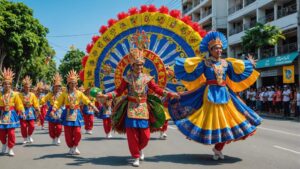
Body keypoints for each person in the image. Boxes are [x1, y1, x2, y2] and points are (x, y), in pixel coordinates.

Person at [168, 31, 262, 160]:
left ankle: (218, 148)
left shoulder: (226, 63)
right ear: (210, 50)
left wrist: (249, 65)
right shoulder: (204, 63)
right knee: (214, 120)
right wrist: (177, 70)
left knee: (228, 121)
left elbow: (236, 74)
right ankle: (216, 147)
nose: (219, 51)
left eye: (220, 48)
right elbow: (192, 73)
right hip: (210, 94)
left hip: (225, 93)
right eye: (216, 49)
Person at [97, 31, 179, 167]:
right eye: (137, 65)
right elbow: (118, 91)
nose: (139, 67)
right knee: (132, 134)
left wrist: (170, 94)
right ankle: (135, 155)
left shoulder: (147, 78)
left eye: (141, 64)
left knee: (145, 135)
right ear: (132, 66)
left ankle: (140, 149)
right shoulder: (127, 79)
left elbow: (157, 89)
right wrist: (107, 96)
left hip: (144, 108)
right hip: (130, 108)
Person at [51, 69, 99, 155]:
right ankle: (71, 146)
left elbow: (86, 100)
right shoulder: (64, 94)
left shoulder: (79, 93)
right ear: (68, 84)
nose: (73, 85)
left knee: (77, 131)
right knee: (68, 133)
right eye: (71, 83)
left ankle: (75, 146)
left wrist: (93, 106)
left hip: (76, 113)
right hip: (67, 114)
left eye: (74, 83)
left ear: (76, 84)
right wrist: (53, 110)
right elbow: (58, 102)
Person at [0, 68, 25, 156]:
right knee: (2, 133)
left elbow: (19, 104)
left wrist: (22, 111)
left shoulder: (15, 94)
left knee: (11, 133)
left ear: (11, 85)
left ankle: (10, 148)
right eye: (5, 84)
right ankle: (3, 144)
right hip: (2, 115)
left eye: (9, 84)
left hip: (11, 114)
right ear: (3, 84)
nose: (7, 85)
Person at [40, 73, 63, 145]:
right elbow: (44, 99)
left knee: (59, 126)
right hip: (51, 110)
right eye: (56, 86)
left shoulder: (62, 94)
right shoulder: (50, 94)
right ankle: (53, 137)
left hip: (59, 110)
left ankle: (58, 137)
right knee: (51, 126)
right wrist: (41, 101)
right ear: (53, 87)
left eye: (58, 86)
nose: (57, 88)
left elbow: (66, 100)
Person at [19, 76, 40, 144]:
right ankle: (25, 137)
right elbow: (18, 103)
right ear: (24, 87)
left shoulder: (32, 95)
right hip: (23, 110)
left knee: (32, 125)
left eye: (28, 87)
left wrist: (37, 109)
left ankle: (29, 135)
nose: (27, 88)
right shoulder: (20, 95)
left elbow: (36, 103)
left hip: (30, 110)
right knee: (23, 125)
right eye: (26, 87)